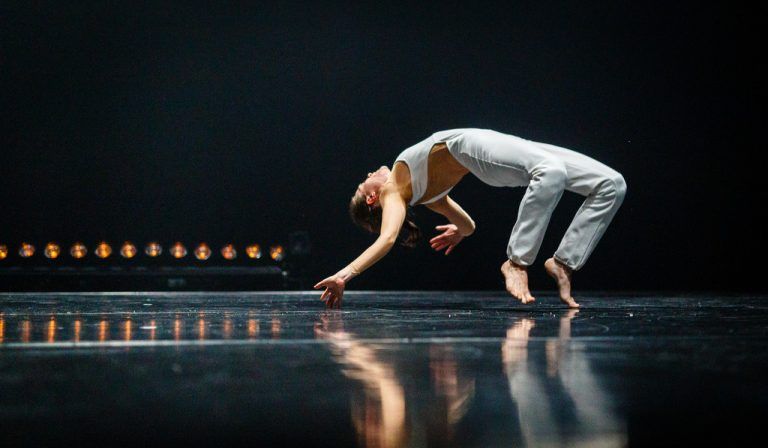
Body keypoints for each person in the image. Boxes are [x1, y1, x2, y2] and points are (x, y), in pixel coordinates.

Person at [314, 128, 626, 309]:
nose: (369, 174)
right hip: (472, 148)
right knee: (552, 172)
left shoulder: (428, 196)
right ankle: (516, 262)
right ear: (372, 197)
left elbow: (468, 226)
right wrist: (345, 275)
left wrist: (459, 231)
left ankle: (564, 262)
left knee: (611, 184)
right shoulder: (392, 191)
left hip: (497, 144)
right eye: (363, 182)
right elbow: (388, 238)